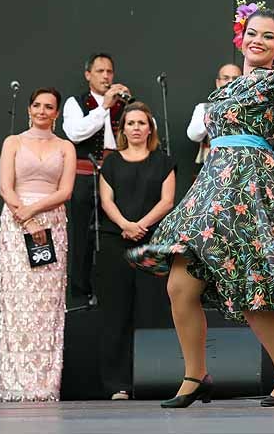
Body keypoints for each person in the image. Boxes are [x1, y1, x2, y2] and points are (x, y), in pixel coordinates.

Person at [127, 2, 274, 409]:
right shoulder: (227, 88)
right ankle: (195, 375)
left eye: (268, 36)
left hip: (248, 189)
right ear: (242, 36)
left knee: (253, 288)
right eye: (252, 33)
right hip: (212, 187)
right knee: (180, 285)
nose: (258, 41)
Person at [0, 88, 77, 401]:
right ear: (29, 109)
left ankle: (44, 385)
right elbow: (5, 186)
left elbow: (65, 190)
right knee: (19, 301)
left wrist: (36, 213)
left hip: (52, 223)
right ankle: (15, 385)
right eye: (37, 105)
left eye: (49, 107)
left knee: (46, 303)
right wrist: (25, 216)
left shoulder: (66, 147)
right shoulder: (13, 142)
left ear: (56, 113)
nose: (42, 111)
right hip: (17, 224)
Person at [98, 101, 177, 399]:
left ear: (150, 128)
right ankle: (118, 385)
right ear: (123, 129)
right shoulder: (112, 162)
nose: (136, 128)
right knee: (116, 315)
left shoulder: (164, 162)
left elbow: (167, 201)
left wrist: (140, 225)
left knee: (153, 310)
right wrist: (126, 225)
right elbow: (106, 200)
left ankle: (154, 378)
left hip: (153, 243)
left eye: (141, 123)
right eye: (130, 123)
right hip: (115, 242)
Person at [62, 53, 130, 305]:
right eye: (100, 71)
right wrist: (103, 108)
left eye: (109, 72)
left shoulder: (122, 103)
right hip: (85, 175)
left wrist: (130, 105)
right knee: (83, 236)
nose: (105, 76)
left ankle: (113, 292)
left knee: (115, 234)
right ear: (88, 75)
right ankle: (80, 295)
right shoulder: (75, 103)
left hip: (116, 177)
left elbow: (143, 128)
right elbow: (74, 134)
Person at [187, 63, 242, 165]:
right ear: (218, 83)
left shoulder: (250, 106)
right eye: (226, 78)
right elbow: (193, 135)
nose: (230, 82)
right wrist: (213, 112)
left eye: (235, 78)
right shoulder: (204, 108)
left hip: (243, 163)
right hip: (214, 166)